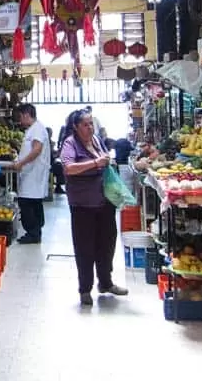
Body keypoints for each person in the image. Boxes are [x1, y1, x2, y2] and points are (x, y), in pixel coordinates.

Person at [61, 109, 128, 306]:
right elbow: (68, 167)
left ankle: (106, 283)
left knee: (107, 244)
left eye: (91, 123)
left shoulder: (97, 140)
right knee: (85, 247)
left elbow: (103, 160)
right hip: (83, 204)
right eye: (85, 124)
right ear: (76, 126)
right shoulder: (70, 144)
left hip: (104, 201)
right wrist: (95, 163)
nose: (90, 128)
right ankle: (85, 289)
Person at [10, 104, 50, 244]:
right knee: (34, 203)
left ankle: (33, 233)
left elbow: (37, 149)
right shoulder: (34, 129)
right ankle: (35, 232)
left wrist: (21, 163)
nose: (20, 120)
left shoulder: (37, 129)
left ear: (27, 115)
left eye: (20, 117)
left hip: (33, 174)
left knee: (27, 203)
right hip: (31, 174)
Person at [47, 127, 66, 194]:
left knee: (59, 165)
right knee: (59, 167)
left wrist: (58, 152)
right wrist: (57, 154)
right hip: (47, 164)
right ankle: (58, 187)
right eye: (50, 133)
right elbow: (50, 156)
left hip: (49, 162)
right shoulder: (46, 143)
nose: (51, 135)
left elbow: (52, 153)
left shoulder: (49, 142)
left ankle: (59, 186)